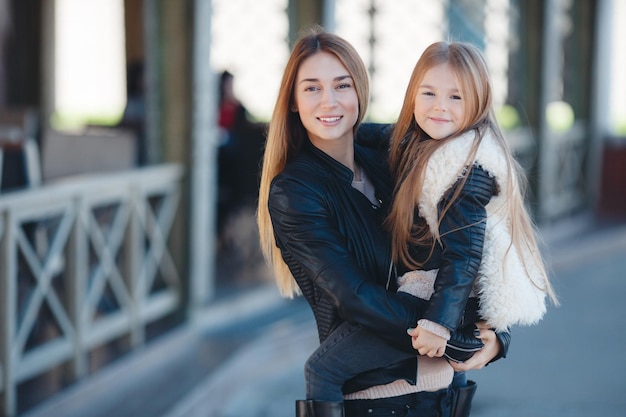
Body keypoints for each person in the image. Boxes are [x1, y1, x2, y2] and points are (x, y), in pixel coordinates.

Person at [257, 27, 509, 417]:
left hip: (444, 397)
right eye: (311, 88)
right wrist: (453, 338)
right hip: (381, 403)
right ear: (292, 100)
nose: (329, 101)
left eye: (342, 85)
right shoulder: (296, 191)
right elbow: (355, 297)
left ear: (360, 90)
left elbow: (471, 245)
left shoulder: (393, 159)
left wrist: (497, 337)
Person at [301, 40, 559, 413]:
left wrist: (439, 325)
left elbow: (464, 256)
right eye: (429, 93)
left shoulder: (464, 170)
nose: (440, 106)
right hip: (433, 295)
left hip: (445, 299)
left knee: (322, 369)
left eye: (456, 97)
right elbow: (382, 135)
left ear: (479, 103)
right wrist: (335, 129)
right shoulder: (422, 140)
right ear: (413, 96)